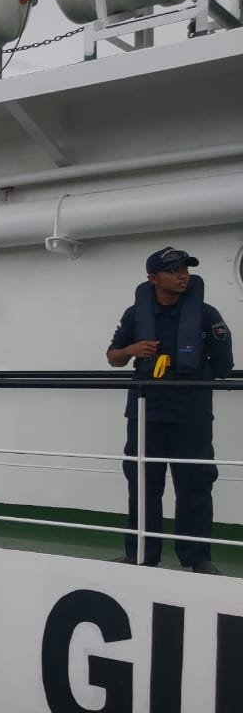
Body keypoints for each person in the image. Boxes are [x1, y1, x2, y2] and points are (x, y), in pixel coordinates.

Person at [107, 246, 233, 574]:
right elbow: (113, 357)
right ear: (153, 278)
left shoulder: (206, 315)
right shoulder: (135, 315)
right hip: (146, 412)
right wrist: (132, 349)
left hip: (191, 414)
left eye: (185, 270)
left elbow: (224, 366)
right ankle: (141, 554)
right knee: (143, 484)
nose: (182, 276)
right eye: (174, 271)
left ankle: (197, 558)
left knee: (195, 484)